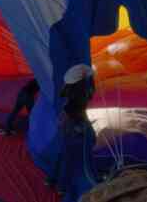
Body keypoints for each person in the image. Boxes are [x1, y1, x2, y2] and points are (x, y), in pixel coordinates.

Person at [49, 64, 97, 199]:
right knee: (71, 153)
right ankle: (62, 186)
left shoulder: (72, 87)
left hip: (68, 118)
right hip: (74, 120)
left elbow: (63, 95)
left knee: (64, 151)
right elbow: (87, 99)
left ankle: (53, 179)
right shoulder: (83, 90)